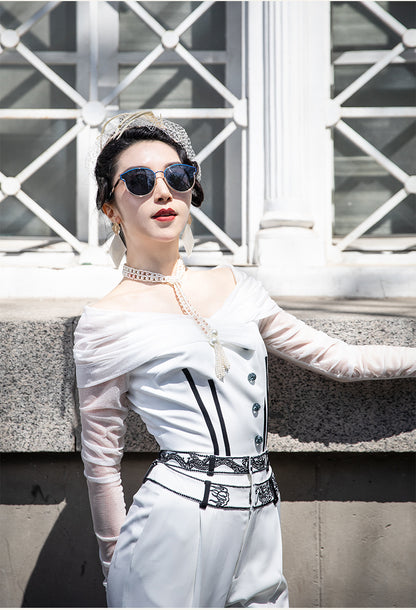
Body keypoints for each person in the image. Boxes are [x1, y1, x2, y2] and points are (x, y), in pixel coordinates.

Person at [73, 111, 416, 608]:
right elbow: (102, 460)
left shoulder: (236, 285)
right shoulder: (105, 322)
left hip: (260, 517)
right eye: (140, 181)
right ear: (111, 207)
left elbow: (338, 359)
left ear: (192, 189)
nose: (163, 192)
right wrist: (115, 571)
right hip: (172, 529)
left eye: (177, 176)